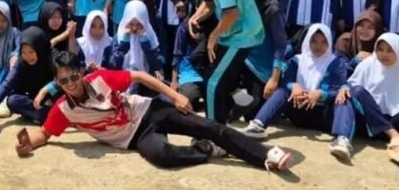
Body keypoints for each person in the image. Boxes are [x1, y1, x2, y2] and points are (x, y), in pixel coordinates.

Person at [16, 50, 294, 172]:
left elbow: (139, 76)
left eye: (74, 76)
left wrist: (175, 96)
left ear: (80, 72)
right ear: (57, 82)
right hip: (135, 137)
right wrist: (29, 144)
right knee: (162, 156)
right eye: (63, 80)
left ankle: (266, 155)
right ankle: (207, 149)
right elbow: (45, 133)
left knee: (208, 126)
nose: (71, 83)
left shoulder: (99, 79)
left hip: (149, 110)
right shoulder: (64, 109)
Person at [180, 0, 265, 124]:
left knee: (213, 83)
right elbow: (209, 3)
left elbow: (231, 14)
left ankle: (213, 133)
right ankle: (234, 101)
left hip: (243, 34)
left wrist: (213, 36)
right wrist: (195, 18)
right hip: (230, 31)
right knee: (199, 60)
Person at [244, 24, 346, 143]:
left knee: (342, 100)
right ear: (307, 41)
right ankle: (258, 124)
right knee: (282, 92)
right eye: (314, 41)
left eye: (324, 42)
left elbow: (337, 89)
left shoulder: (336, 63)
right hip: (298, 108)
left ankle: (341, 138)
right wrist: (293, 86)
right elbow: (286, 79)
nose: (319, 46)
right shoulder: (297, 60)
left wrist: (320, 94)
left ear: (329, 42)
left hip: (321, 113)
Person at [333, 32, 399, 163]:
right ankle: (394, 135)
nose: (384, 54)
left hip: (393, 122)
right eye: (380, 49)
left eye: (390, 50)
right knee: (354, 92)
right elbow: (352, 85)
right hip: (368, 122)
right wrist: (344, 87)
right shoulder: (368, 64)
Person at [238, 0, 290, 119]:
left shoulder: (273, 10)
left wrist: (273, 79)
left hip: (264, 70)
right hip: (243, 63)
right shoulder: (245, 4)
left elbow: (280, 46)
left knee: (252, 113)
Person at [0, 27, 57, 124]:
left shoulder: (53, 57)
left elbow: (64, 80)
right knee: (12, 101)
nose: (28, 56)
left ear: (39, 48)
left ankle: (44, 115)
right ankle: (48, 115)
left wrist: (46, 90)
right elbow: (8, 82)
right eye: (24, 53)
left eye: (31, 52)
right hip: (35, 100)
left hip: (52, 94)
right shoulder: (21, 62)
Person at [109, 0, 163, 85]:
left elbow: (156, 64)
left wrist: (145, 42)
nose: (134, 28)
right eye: (131, 24)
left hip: (146, 79)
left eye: (139, 24)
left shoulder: (149, 35)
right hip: (124, 78)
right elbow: (114, 64)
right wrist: (124, 43)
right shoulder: (119, 36)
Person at [335, 9, 384, 76]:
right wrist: (356, 60)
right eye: (361, 25)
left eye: (370, 27)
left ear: (377, 30)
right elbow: (339, 71)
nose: (365, 30)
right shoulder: (345, 41)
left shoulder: (382, 44)